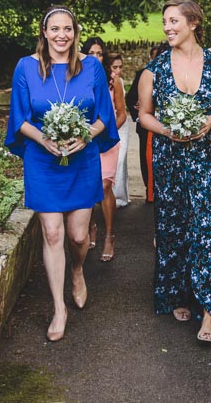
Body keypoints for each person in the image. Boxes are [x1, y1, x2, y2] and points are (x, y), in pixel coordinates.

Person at [5, 6, 119, 342]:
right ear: (44, 32)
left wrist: (85, 136)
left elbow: (104, 117)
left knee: (78, 237)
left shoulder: (92, 67)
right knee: (52, 234)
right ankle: (59, 308)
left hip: (82, 161)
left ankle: (78, 269)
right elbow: (19, 117)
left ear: (75, 32)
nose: (61, 36)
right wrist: (44, 138)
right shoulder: (26, 67)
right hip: (43, 161)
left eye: (67, 29)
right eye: (54, 29)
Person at [136, 0, 211, 343]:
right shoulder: (154, 70)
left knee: (210, 230)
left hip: (210, 162)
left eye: (174, 20)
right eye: (164, 21)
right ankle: (177, 294)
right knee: (174, 228)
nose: (167, 27)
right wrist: (167, 130)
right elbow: (144, 115)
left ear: (193, 23)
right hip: (170, 162)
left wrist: (209, 121)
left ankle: (210, 311)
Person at [81, 37, 125, 262]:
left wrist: (108, 133)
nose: (95, 57)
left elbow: (122, 113)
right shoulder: (77, 78)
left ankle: (109, 236)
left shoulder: (112, 80)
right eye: (91, 53)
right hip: (84, 141)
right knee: (89, 187)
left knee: (105, 185)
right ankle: (91, 225)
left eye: (99, 53)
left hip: (107, 142)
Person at [126, 43, 169, 203]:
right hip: (146, 128)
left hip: (172, 127)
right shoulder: (143, 74)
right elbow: (131, 98)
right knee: (146, 159)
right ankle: (149, 190)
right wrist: (140, 116)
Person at [105, 52, 130, 209]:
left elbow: (122, 110)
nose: (118, 70)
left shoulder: (118, 81)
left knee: (120, 160)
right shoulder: (105, 80)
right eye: (115, 67)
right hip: (105, 126)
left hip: (119, 124)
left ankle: (120, 196)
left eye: (121, 67)